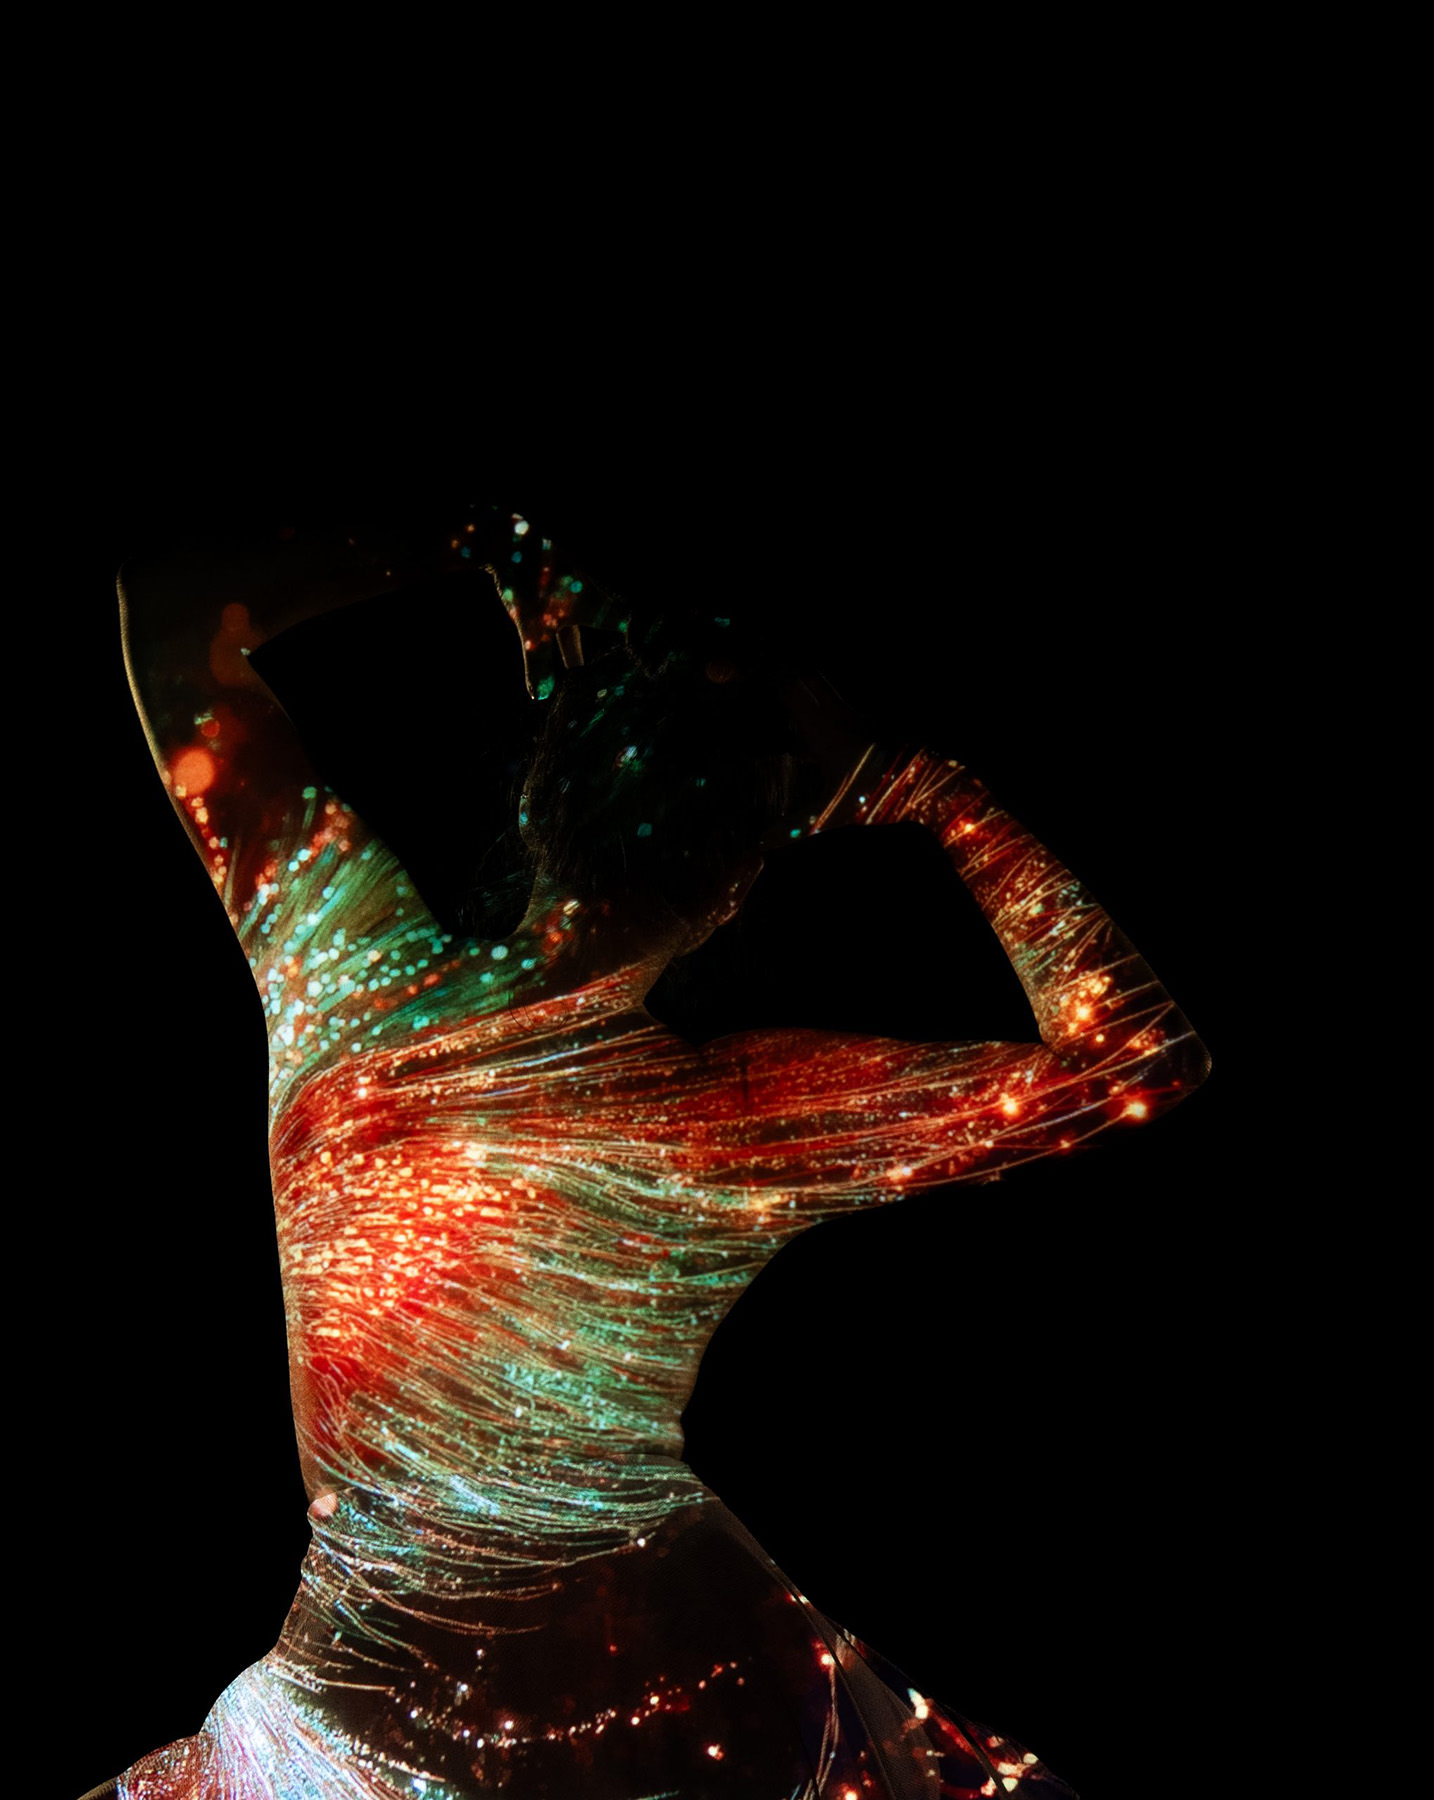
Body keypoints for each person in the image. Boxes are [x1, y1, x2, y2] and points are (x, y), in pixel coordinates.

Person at [89, 503, 1209, 1799]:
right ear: (737, 887)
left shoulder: (345, 969)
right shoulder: (732, 1119)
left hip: (368, 1727)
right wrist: (925, 792)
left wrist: (493, 548)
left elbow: (170, 613)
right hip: (653, 1707)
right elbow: (1137, 1067)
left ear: (534, 798)